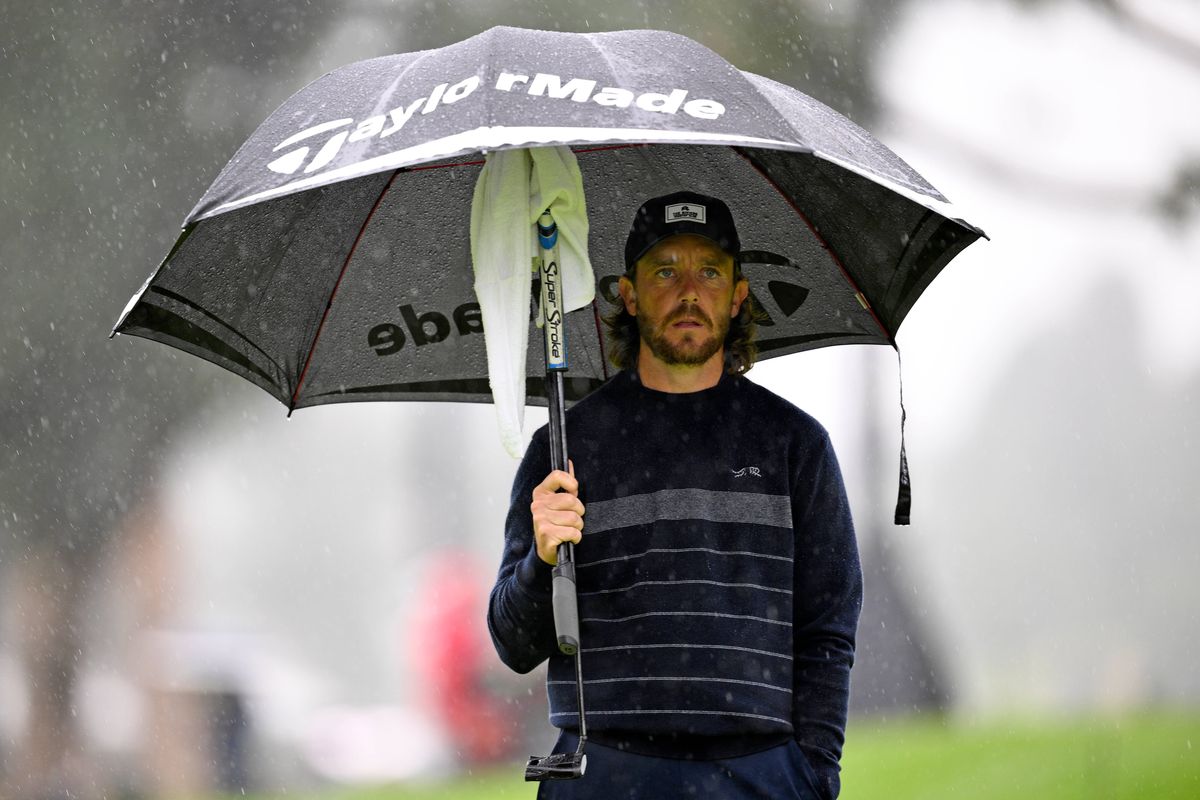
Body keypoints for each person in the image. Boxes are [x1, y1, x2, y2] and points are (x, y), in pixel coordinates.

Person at [487, 191, 862, 800]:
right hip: (603, 771)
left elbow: (827, 629)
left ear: (738, 294)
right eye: (665, 270)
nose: (689, 290)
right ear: (628, 296)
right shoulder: (560, 450)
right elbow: (513, 644)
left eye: (709, 271)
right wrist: (542, 561)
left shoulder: (796, 445)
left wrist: (814, 774)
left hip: (759, 774)